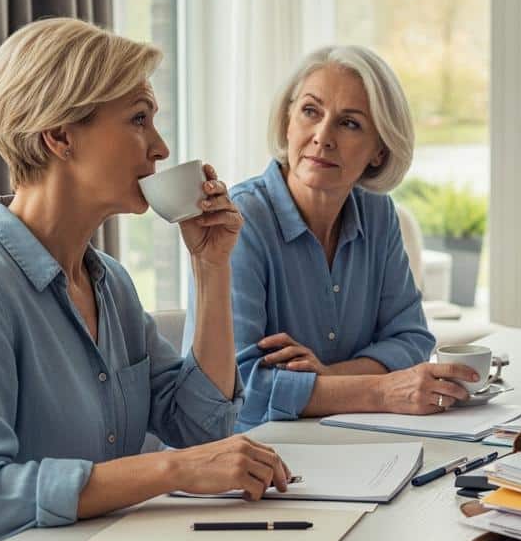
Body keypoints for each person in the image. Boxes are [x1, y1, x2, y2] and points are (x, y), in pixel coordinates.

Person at [0, 18, 291, 541]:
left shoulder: (110, 283)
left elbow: (200, 426)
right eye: (138, 119)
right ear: (59, 136)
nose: (160, 147)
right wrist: (170, 471)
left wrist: (212, 268)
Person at [188, 45, 477, 432]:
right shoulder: (240, 222)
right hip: (236, 459)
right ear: (287, 120)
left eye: (350, 123)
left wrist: (327, 378)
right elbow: (240, 391)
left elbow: (410, 337)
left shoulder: (377, 213)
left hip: (335, 447)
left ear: (379, 150)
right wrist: (378, 391)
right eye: (311, 111)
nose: (323, 137)